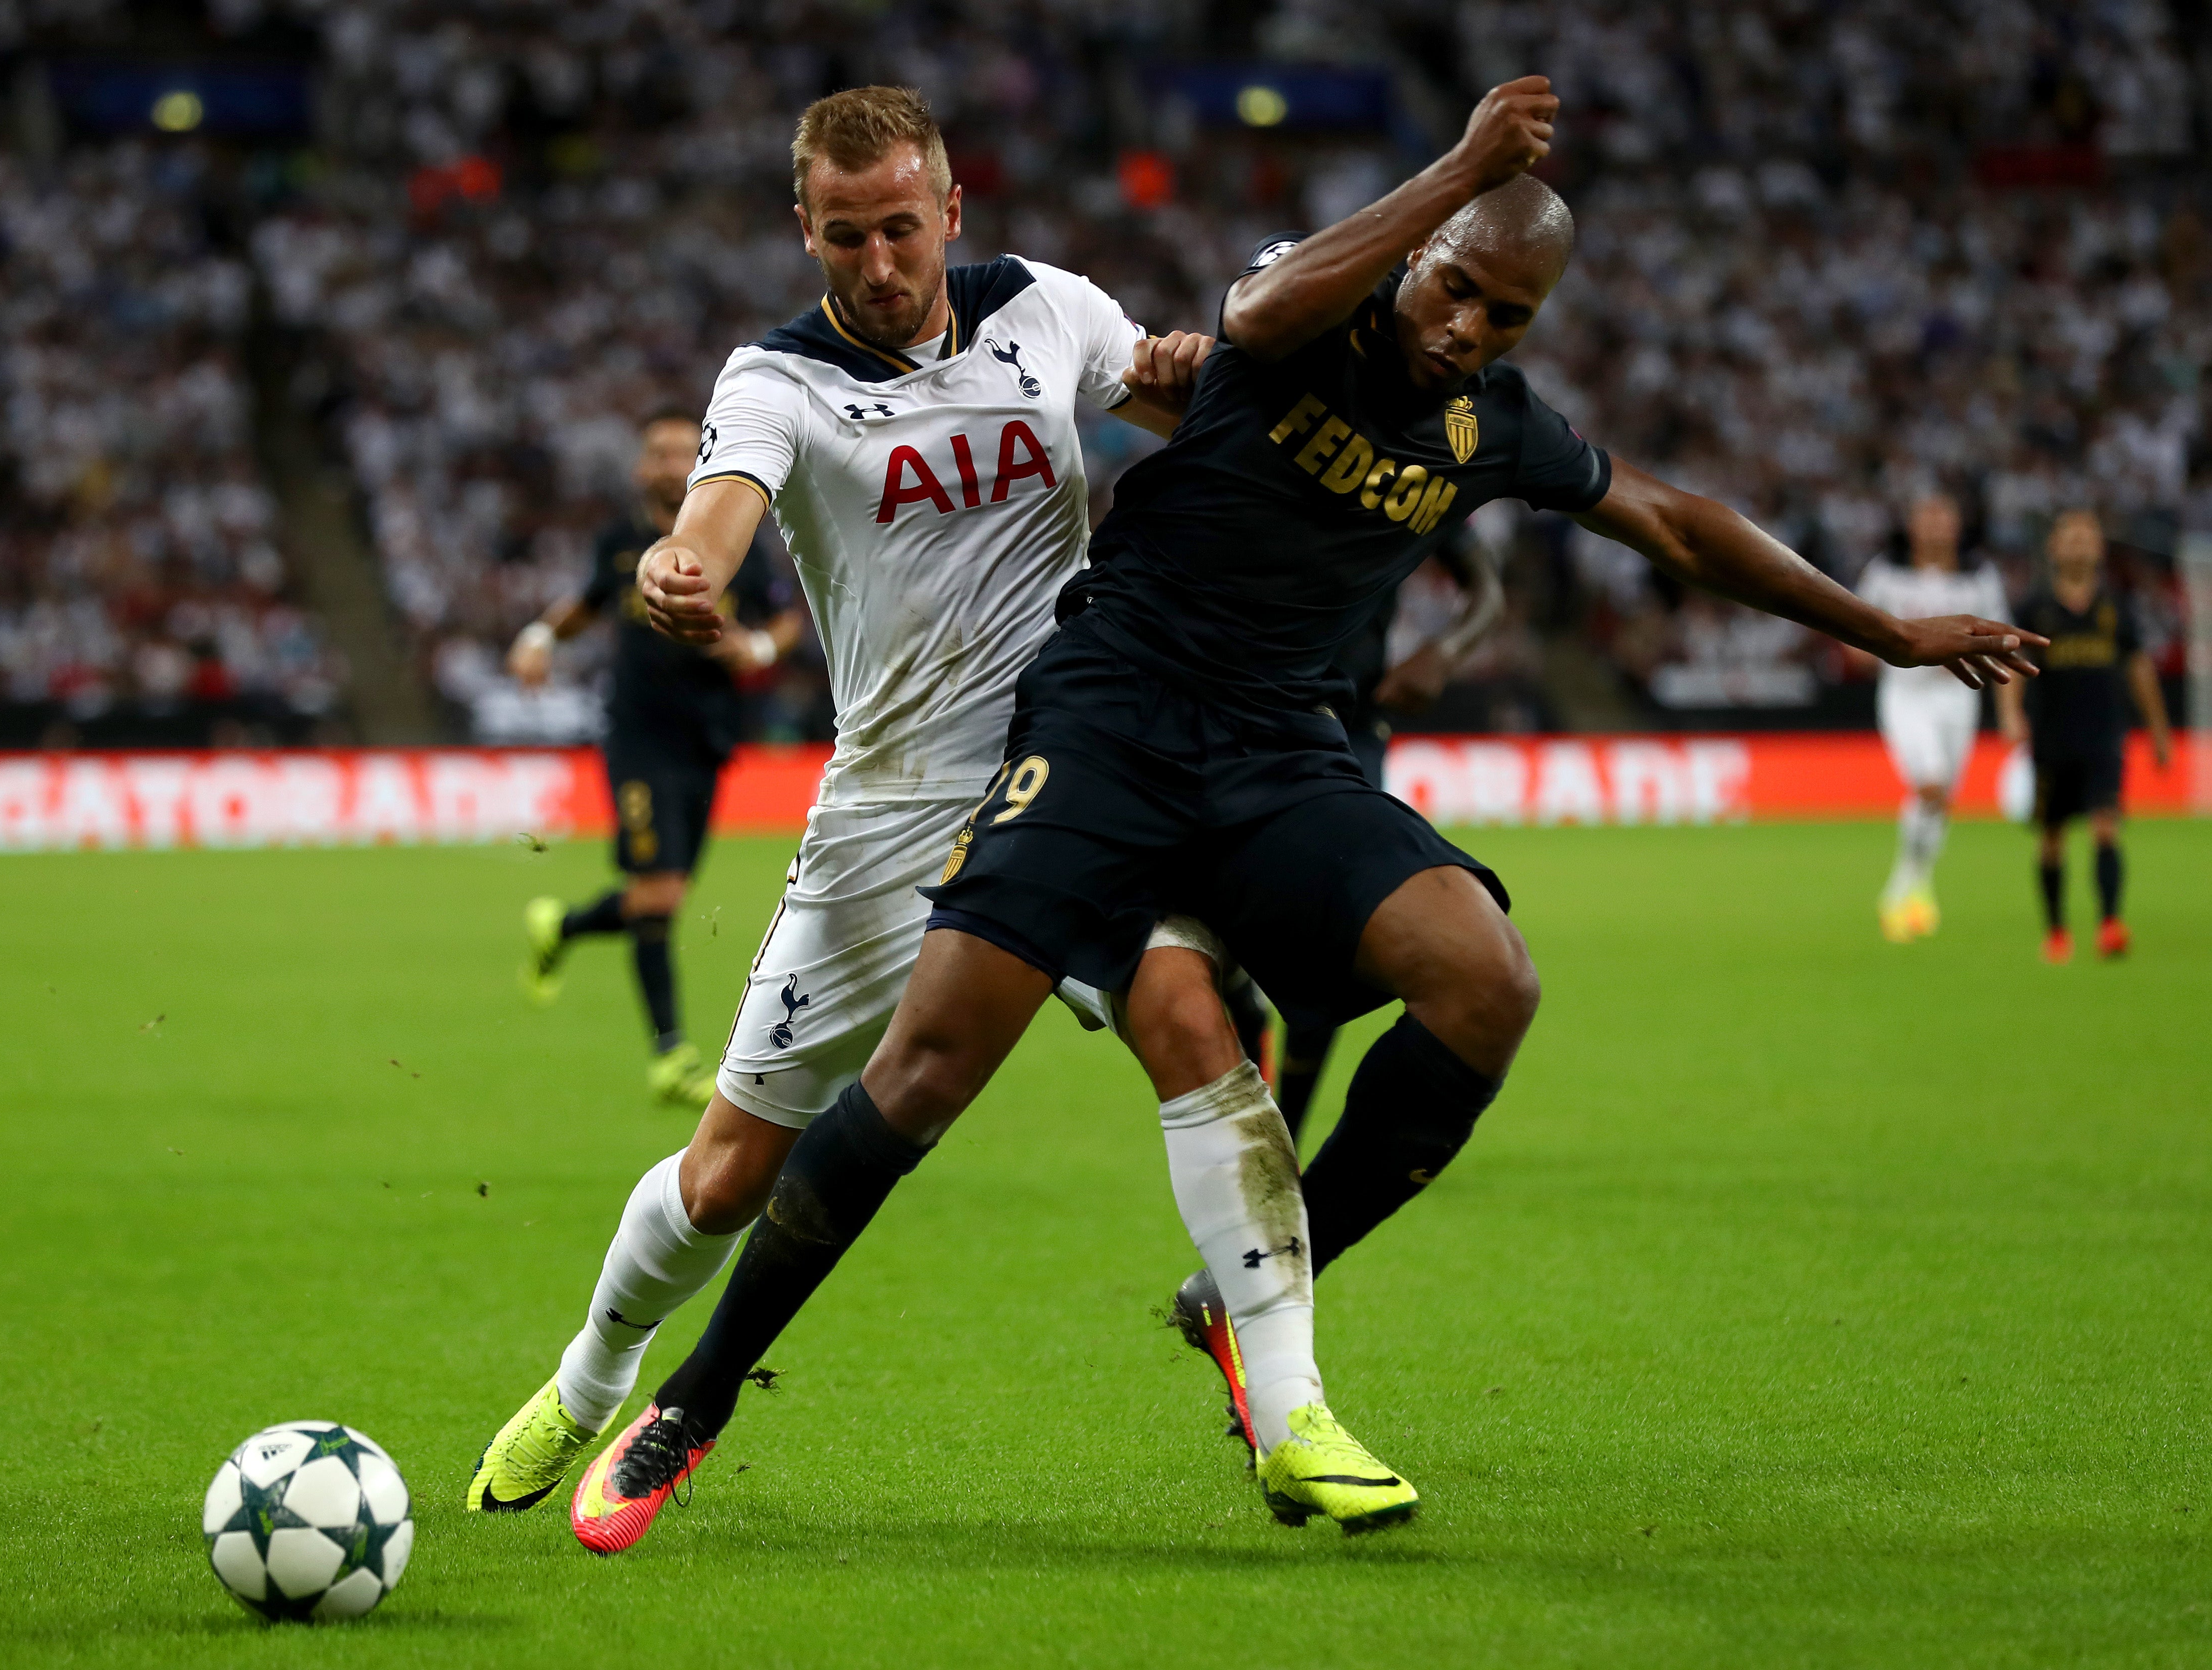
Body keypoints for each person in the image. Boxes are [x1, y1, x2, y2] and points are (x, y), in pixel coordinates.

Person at [594, 75, 2047, 1542]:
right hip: (1107, 719)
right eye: (1455, 290)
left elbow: (1670, 520)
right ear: (1415, 261)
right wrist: (1461, 164)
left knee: (1484, 977)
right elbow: (1252, 314)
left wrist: (1888, 627)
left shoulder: (1490, 425)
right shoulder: (1302, 325)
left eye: (1505, 315)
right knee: (925, 1069)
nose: (1466, 329)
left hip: (1278, 749)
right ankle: (690, 1402)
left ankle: (1244, 1312)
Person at [466, 86, 1264, 1540]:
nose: (880, 262)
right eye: (847, 237)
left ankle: (1285, 1400)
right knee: (724, 1174)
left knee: (1199, 1023)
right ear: (806, 232)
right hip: (888, 813)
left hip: (1071, 779)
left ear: (949, 211)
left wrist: (1201, 375)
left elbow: (1193, 411)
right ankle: (594, 1378)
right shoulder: (774, 377)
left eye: (902, 227)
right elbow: (717, 506)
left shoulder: (1045, 308)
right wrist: (678, 567)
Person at [510, 412, 808, 1108]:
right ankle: (670, 1056)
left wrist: (759, 650)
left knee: (659, 896)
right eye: (658, 452)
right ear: (642, 468)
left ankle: (563, 926)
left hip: (707, 739)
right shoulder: (622, 543)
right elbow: (584, 606)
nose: (672, 462)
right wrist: (536, 637)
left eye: (682, 449)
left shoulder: (735, 540)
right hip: (637, 736)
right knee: (661, 894)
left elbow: (783, 616)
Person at [1274, 525, 1503, 1137]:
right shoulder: (1254, 439)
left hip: (1350, 729)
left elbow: (1486, 587)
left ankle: (1283, 1135)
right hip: (1244, 713)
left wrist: (1446, 650)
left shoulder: (1417, 461)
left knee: (1326, 935)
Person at [1997, 508, 2172, 962]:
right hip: (2051, 740)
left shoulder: (2117, 609)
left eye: (2086, 535)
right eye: (2069, 535)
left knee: (2105, 826)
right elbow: (2013, 668)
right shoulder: (2034, 609)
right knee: (2052, 837)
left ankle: (2110, 923)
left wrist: (2158, 731)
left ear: (2099, 547)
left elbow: (2138, 669)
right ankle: (2056, 930)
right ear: (2053, 547)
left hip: (2103, 738)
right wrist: (2011, 714)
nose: (2077, 543)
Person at [1853, 493, 2010, 943]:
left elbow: (2002, 637)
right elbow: (1857, 623)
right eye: (1928, 515)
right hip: (1905, 695)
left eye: (1945, 515)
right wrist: (1857, 651)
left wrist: (2009, 711)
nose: (1937, 525)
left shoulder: (1977, 575)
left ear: (1959, 524)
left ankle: (1914, 882)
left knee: (1940, 799)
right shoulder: (1886, 572)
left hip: (1959, 698)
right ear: (1912, 524)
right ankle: (1906, 883)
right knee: (1930, 783)